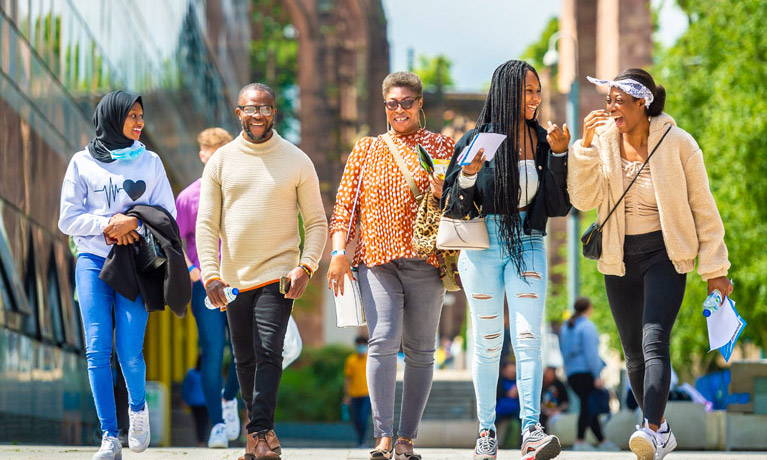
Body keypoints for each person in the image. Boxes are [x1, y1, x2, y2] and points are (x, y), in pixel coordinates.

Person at [567, 68, 732, 460]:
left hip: (666, 255)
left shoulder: (679, 143)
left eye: (618, 101)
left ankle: (651, 429)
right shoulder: (604, 142)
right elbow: (583, 198)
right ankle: (660, 430)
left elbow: (703, 210)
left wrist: (715, 270)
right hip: (618, 258)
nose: (610, 108)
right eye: (608, 101)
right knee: (632, 355)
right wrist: (586, 147)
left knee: (654, 339)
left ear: (642, 102)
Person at [441, 60, 570, 460]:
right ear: (506, 93)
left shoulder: (545, 141)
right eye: (527, 91)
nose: (534, 99)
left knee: (529, 337)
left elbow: (558, 205)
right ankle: (486, 433)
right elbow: (450, 205)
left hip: (528, 240)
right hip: (481, 244)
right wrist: (467, 176)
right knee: (488, 341)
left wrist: (561, 157)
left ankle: (532, 429)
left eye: (537, 92)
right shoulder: (474, 142)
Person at [327, 71, 455, 460]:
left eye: (406, 102)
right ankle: (382, 437)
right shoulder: (365, 149)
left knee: (420, 350)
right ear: (385, 106)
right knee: (382, 339)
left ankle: (406, 439)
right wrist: (337, 253)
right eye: (391, 103)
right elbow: (345, 207)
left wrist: (443, 188)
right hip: (377, 261)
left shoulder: (441, 145)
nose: (399, 110)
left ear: (419, 105)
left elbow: (463, 202)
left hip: (426, 260)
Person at [196, 83, 327, 460]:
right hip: (233, 276)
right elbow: (206, 224)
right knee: (243, 358)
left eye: (265, 108)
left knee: (269, 350)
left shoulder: (297, 159)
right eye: (250, 109)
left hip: (280, 273)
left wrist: (306, 265)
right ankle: (263, 435)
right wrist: (210, 274)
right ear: (238, 113)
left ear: (274, 113)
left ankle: (257, 433)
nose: (257, 115)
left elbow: (317, 222)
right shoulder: (220, 161)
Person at [58, 90, 176, 460]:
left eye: (141, 116)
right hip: (92, 262)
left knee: (129, 350)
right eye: (132, 116)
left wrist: (134, 223)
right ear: (111, 118)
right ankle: (109, 436)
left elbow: (167, 215)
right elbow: (67, 218)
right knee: (97, 350)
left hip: (135, 263)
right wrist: (109, 224)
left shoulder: (151, 162)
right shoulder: (81, 162)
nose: (140, 123)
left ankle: (137, 410)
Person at [175, 127, 241, 448]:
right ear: (202, 155)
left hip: (240, 284)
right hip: (206, 287)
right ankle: (217, 424)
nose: (216, 159)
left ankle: (229, 399)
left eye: (222, 153)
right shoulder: (189, 197)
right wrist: (191, 270)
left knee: (246, 349)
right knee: (213, 353)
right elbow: (173, 241)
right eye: (210, 153)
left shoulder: (241, 193)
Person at [559, 298, 615, 451]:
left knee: (588, 405)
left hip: (571, 373)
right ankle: (580, 441)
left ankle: (602, 441)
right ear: (589, 308)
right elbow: (591, 354)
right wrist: (597, 375)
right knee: (587, 406)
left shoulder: (566, 327)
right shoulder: (587, 326)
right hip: (585, 372)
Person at [344, 336, 372, 448]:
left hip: (367, 394)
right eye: (359, 344)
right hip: (354, 394)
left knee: (363, 417)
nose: (361, 347)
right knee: (356, 419)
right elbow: (348, 378)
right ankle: (360, 439)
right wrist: (346, 395)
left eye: (363, 344)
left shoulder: (370, 359)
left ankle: (362, 441)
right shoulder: (351, 360)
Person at [182, 356, 210, 447]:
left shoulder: (191, 374)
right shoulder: (209, 373)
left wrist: (185, 400)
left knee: (198, 422)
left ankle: (200, 441)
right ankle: (202, 440)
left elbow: (186, 388)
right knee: (204, 422)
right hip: (206, 402)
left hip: (194, 402)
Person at [539, 367, 569, 434]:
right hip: (544, 412)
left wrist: (558, 409)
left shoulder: (560, 385)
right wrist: (545, 410)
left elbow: (566, 403)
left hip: (558, 412)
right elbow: (538, 403)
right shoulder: (541, 385)